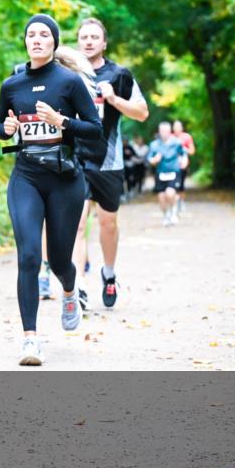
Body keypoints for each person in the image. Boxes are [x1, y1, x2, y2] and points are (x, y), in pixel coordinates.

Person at [0, 14, 101, 366]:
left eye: (44, 35)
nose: (37, 39)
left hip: (65, 180)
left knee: (58, 260)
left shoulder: (69, 82)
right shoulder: (12, 85)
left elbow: (94, 129)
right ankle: (30, 340)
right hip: (25, 177)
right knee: (28, 255)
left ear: (54, 42)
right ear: (25, 42)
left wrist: (63, 122)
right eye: (31, 34)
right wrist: (7, 126)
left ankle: (70, 291)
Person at [71, 18, 149, 310]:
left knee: (108, 222)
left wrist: (114, 98)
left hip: (108, 160)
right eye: (84, 37)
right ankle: (77, 287)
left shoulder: (119, 74)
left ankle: (109, 273)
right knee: (77, 225)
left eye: (94, 37)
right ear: (78, 41)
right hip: (75, 158)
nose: (88, 42)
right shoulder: (69, 72)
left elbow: (142, 113)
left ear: (104, 43)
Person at [148, 121, 187, 226]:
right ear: (159, 132)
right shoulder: (154, 144)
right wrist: (154, 160)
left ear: (170, 131)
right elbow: (149, 159)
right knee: (161, 198)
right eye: (162, 131)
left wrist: (184, 161)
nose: (164, 133)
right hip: (160, 173)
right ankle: (166, 215)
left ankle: (174, 212)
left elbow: (183, 154)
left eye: (166, 131)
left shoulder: (177, 142)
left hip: (174, 172)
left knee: (170, 193)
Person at [172, 120, 196, 214]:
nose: (177, 128)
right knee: (172, 185)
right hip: (171, 165)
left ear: (182, 127)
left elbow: (192, 151)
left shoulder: (186, 137)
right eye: (175, 126)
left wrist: (183, 148)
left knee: (181, 185)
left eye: (178, 126)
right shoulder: (170, 137)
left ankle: (181, 202)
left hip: (182, 165)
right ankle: (174, 204)